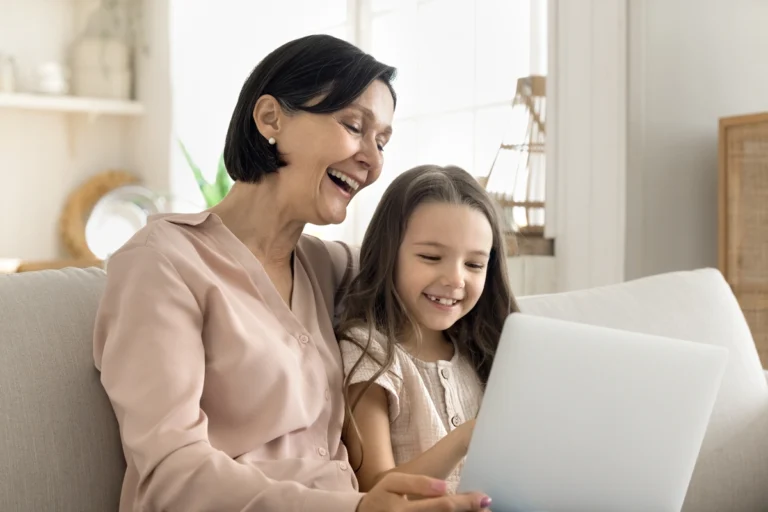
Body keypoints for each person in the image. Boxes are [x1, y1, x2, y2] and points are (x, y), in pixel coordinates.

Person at [92, 34, 492, 512]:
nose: (373, 159)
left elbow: (448, 281)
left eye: (382, 141)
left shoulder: (334, 267)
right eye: (354, 125)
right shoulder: (163, 263)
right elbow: (169, 474)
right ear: (270, 118)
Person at [337, 165, 520, 493]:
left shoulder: (481, 352)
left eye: (474, 264)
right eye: (431, 257)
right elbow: (377, 488)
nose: (455, 279)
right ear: (389, 254)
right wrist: (464, 439)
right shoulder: (369, 351)